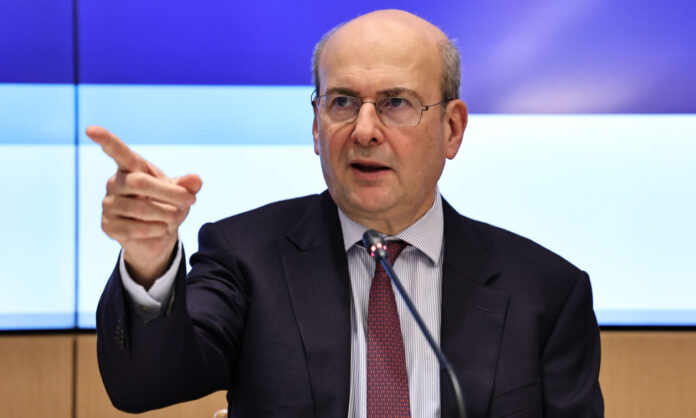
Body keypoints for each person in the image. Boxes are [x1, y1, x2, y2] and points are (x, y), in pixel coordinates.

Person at [91, 9, 604, 418]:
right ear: (316, 127)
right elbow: (146, 384)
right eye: (342, 102)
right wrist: (149, 260)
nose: (363, 130)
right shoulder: (245, 256)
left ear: (452, 129)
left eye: (396, 103)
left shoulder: (547, 292)